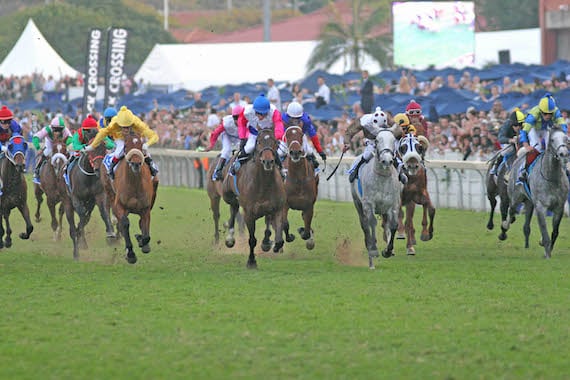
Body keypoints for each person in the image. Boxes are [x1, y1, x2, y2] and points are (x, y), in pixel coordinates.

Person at [85, 106, 159, 179]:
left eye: (128, 127)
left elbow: (154, 136)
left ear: (132, 123)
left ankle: (151, 165)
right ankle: (111, 168)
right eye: (123, 127)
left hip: (134, 136)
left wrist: (147, 144)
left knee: (142, 149)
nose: (126, 129)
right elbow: (102, 134)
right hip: (120, 137)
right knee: (119, 152)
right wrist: (92, 146)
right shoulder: (114, 123)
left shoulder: (138, 123)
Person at [344, 107, 407, 184]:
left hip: (384, 138)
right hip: (372, 140)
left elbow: (398, 131)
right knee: (367, 154)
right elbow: (350, 131)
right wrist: (346, 142)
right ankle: (355, 170)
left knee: (391, 153)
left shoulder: (389, 119)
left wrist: (402, 136)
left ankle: (401, 173)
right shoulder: (364, 120)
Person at [230, 94, 286, 177]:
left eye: (264, 114)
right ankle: (237, 162)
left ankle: (281, 168)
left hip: (268, 134)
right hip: (254, 133)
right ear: (254, 110)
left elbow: (278, 124)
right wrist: (242, 138)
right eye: (259, 113)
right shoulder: (247, 111)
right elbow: (241, 123)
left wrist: (278, 137)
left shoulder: (274, 111)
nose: (261, 117)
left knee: (279, 150)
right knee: (249, 148)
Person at [518, 93, 568, 182]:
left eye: (550, 114)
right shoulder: (533, 115)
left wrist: (563, 138)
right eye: (545, 114)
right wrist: (526, 145)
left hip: (546, 129)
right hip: (533, 129)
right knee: (537, 148)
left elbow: (563, 124)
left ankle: (563, 168)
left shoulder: (556, 111)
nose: (548, 116)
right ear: (540, 111)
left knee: (553, 148)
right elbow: (524, 131)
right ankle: (523, 170)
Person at [65, 115, 116, 184]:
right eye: (87, 130)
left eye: (92, 130)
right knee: (72, 158)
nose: (90, 133)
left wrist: (106, 144)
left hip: (97, 153)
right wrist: (85, 147)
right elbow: (75, 146)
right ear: (83, 129)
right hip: (81, 151)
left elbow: (111, 145)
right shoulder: (79, 133)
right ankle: (67, 176)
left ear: (96, 129)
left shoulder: (100, 132)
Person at [281, 101, 327, 175]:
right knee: (280, 152)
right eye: (293, 118)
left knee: (309, 151)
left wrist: (319, 150)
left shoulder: (306, 120)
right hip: (287, 136)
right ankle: (279, 166)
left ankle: (314, 167)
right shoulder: (283, 119)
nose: (295, 121)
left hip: (300, 136)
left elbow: (313, 135)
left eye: (298, 118)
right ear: (288, 116)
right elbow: (281, 133)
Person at [206, 105, 244, 181]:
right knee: (227, 149)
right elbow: (215, 133)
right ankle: (217, 171)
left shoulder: (248, 122)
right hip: (227, 136)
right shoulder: (226, 122)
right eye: (235, 118)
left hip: (239, 138)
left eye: (239, 118)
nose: (237, 121)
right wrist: (211, 145)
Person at [32, 116, 73, 184]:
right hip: (50, 144)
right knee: (46, 152)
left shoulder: (66, 131)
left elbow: (70, 140)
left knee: (70, 153)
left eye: (59, 130)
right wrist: (38, 148)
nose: (57, 132)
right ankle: (37, 172)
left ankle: (68, 173)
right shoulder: (47, 129)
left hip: (62, 144)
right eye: (55, 130)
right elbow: (35, 137)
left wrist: (67, 144)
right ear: (52, 128)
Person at [489, 108, 524, 176]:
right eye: (516, 125)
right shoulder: (506, 125)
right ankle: (496, 164)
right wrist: (510, 140)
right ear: (511, 124)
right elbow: (500, 139)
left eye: (520, 124)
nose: (518, 127)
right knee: (508, 149)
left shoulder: (525, 125)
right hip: (508, 142)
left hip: (520, 141)